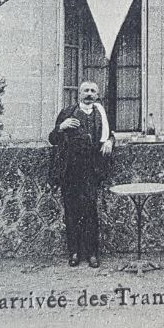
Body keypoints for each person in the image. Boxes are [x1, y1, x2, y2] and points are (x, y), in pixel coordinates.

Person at [48, 80, 113, 268]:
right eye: (86, 90)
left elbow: (109, 134)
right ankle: (74, 253)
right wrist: (62, 126)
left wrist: (110, 142)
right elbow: (53, 139)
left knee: (91, 211)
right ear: (79, 93)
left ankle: (92, 253)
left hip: (91, 169)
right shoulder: (67, 113)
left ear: (97, 94)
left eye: (93, 91)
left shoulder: (101, 114)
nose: (89, 94)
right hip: (70, 170)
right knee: (72, 212)